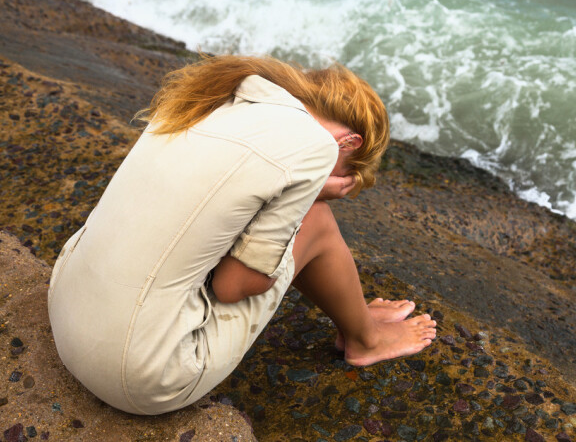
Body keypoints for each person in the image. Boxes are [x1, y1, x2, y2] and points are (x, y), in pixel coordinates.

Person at [47, 55, 437, 416]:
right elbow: (235, 286)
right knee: (317, 219)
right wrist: (310, 195)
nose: (335, 179)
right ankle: (365, 339)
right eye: (345, 172)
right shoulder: (314, 146)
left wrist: (307, 189)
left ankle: (356, 315)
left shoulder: (216, 98)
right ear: (350, 143)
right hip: (136, 373)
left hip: (66, 308)